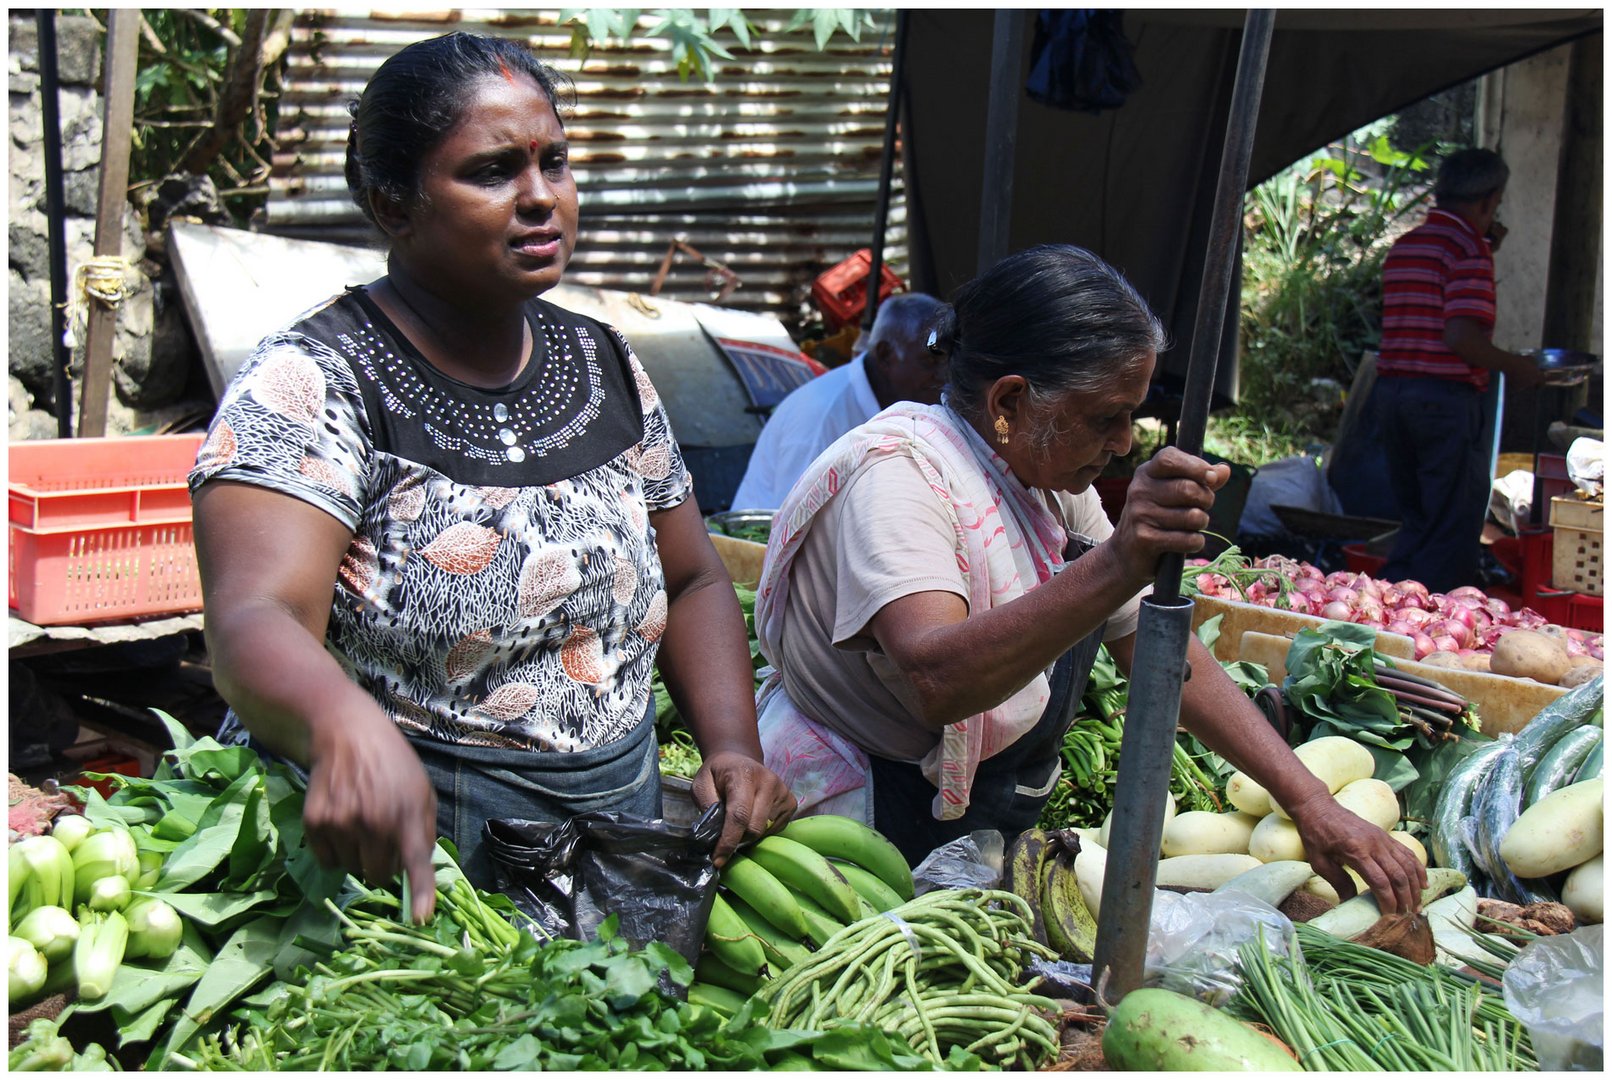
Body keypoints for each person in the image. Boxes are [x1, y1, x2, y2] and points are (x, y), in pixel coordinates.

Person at [188, 32, 794, 922]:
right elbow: (253, 620)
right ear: (395, 204)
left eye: (555, 162)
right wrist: (342, 726)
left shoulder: (603, 362)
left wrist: (732, 745)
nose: (541, 197)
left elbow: (694, 574)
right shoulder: (316, 381)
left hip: (610, 847)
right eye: (493, 171)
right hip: (406, 868)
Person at [753, 244, 1427, 913]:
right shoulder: (899, 480)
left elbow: (1156, 647)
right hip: (864, 814)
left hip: (971, 811)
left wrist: (1307, 799)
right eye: (1106, 416)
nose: (1126, 440)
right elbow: (938, 680)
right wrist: (1118, 561)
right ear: (1010, 402)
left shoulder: (1046, 480)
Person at [1375, 148, 1544, 593]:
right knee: (1450, 526)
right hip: (1442, 401)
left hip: (1394, 396)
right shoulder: (1468, 250)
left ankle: (1388, 602)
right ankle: (1426, 616)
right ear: (1489, 201)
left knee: (1417, 518)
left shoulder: (1406, 246)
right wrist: (1521, 367)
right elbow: (1461, 338)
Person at [730, 292, 946, 509]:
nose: (944, 374)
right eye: (929, 362)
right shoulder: (821, 417)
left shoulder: (912, 402)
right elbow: (796, 525)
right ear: (886, 355)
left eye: (948, 360)